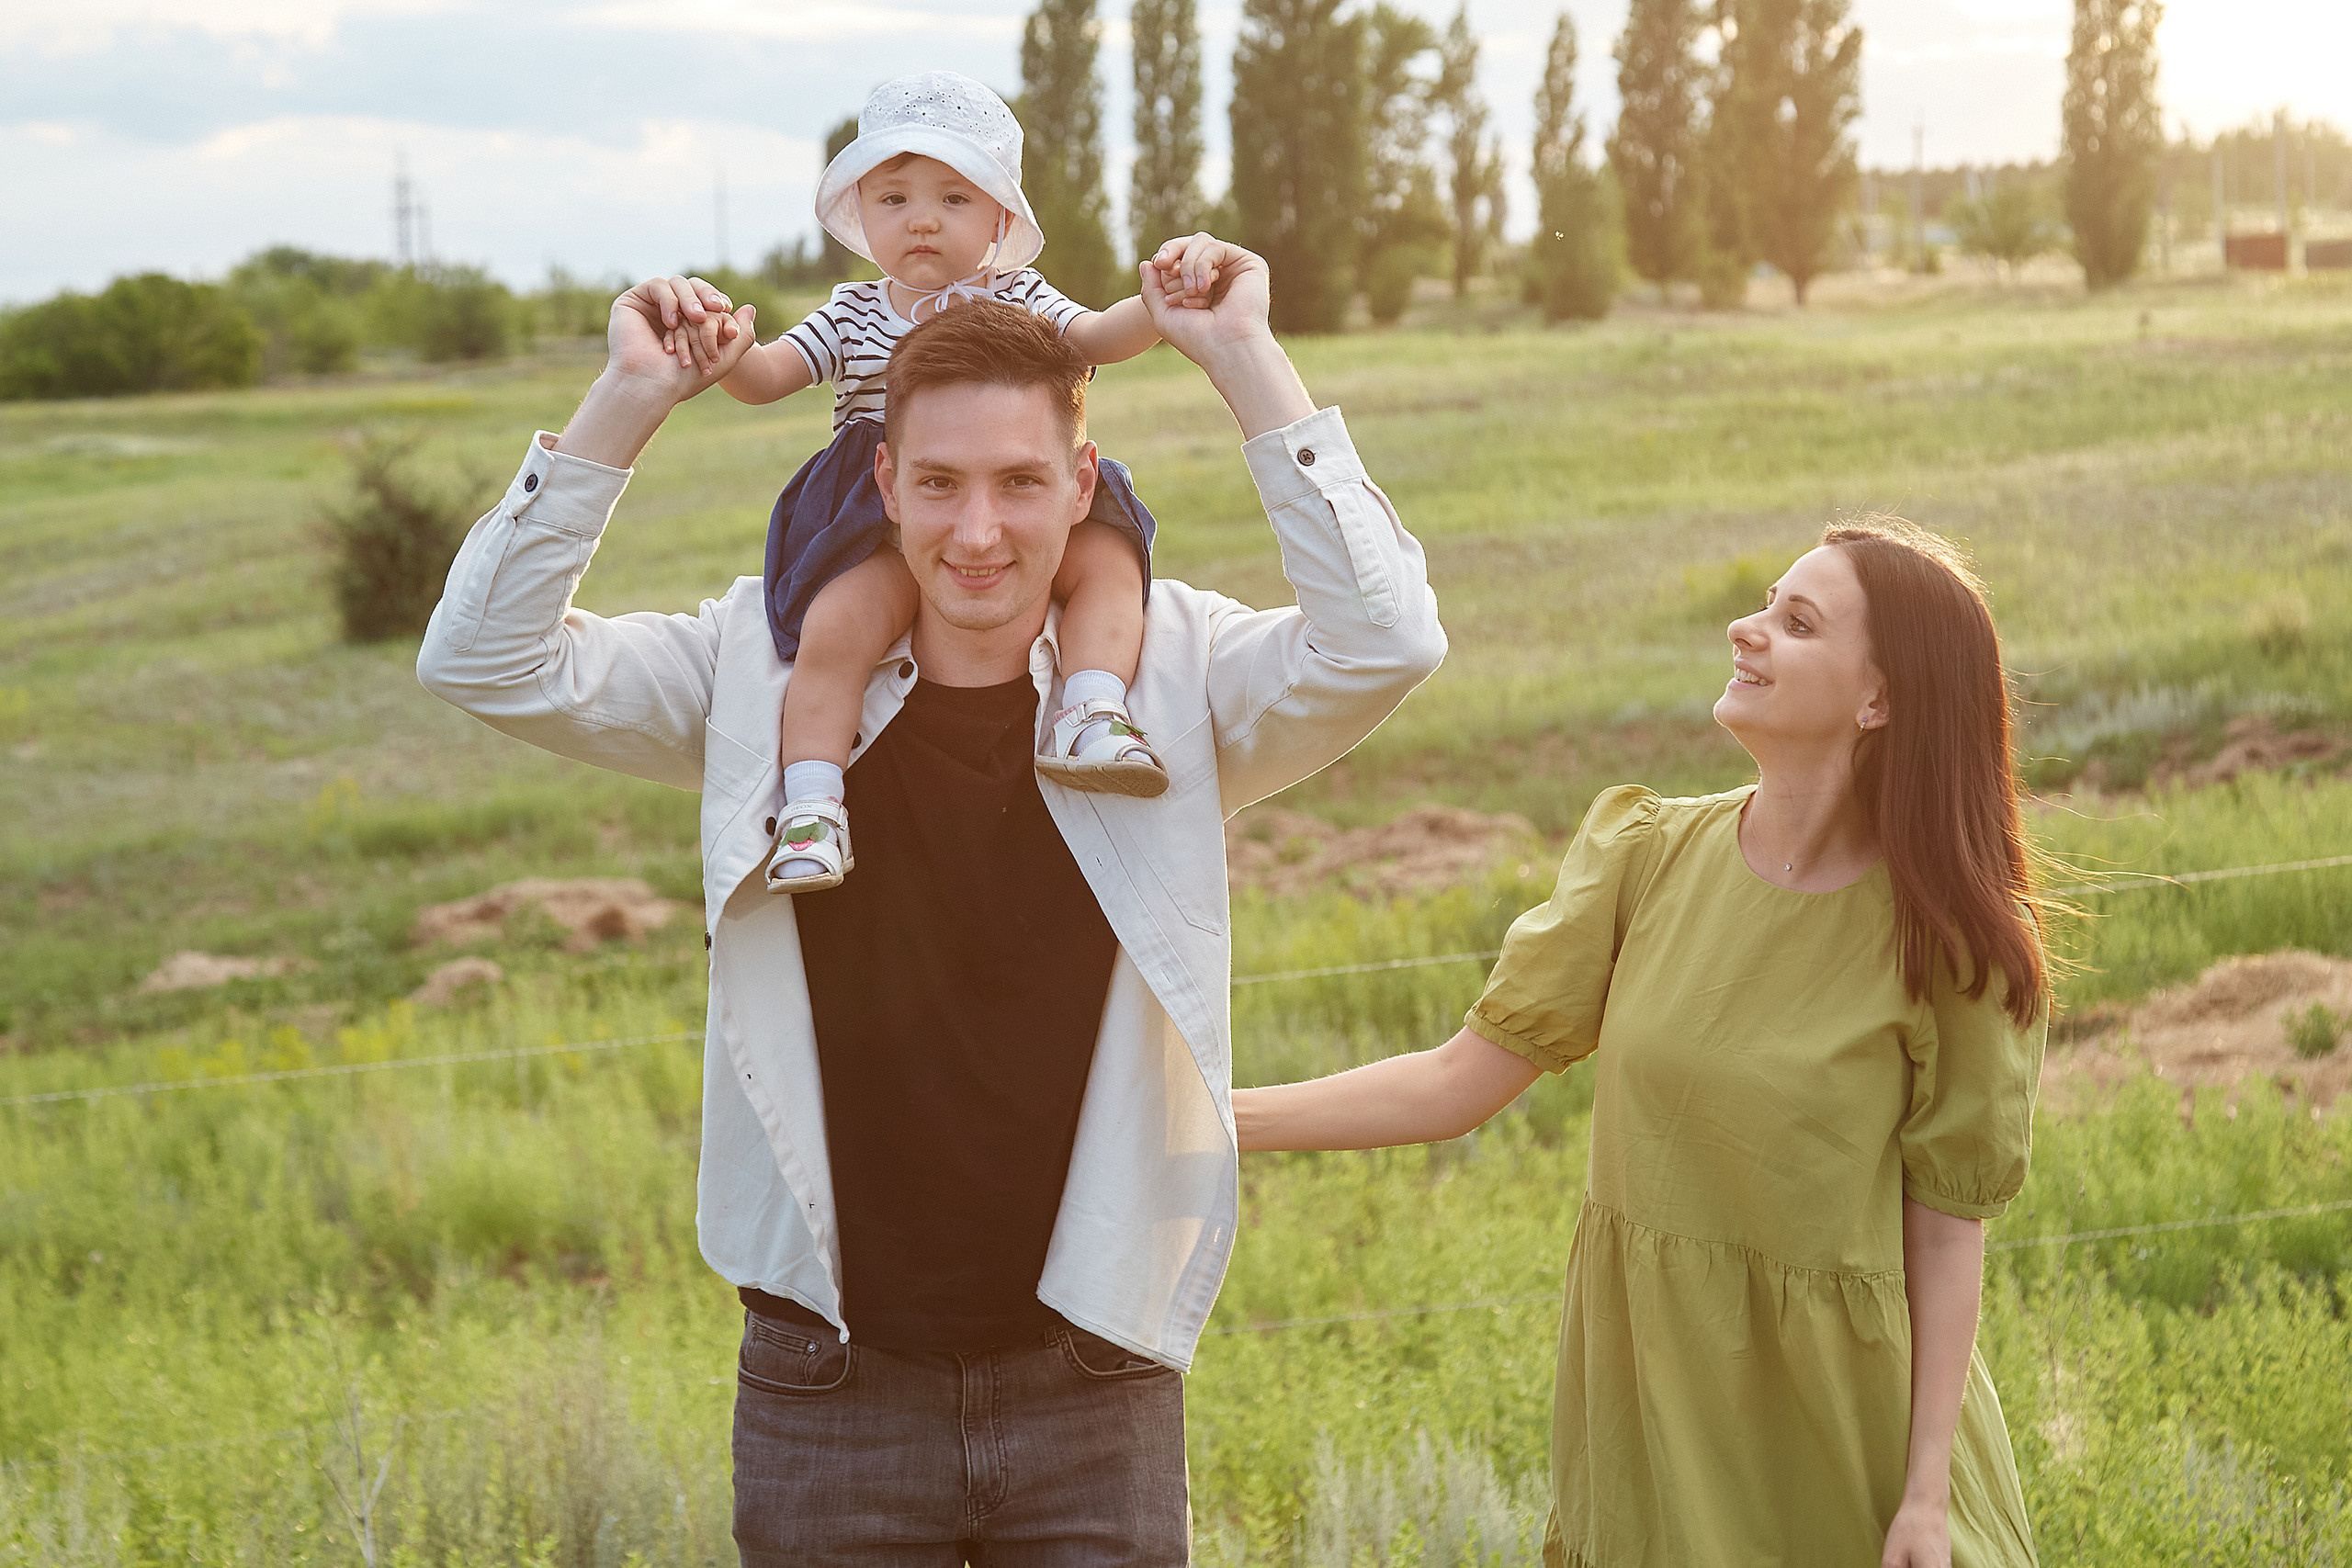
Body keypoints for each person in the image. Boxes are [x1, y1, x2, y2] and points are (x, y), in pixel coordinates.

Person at [415, 236, 1446, 1562]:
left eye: (1023, 483)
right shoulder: (761, 668)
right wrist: (627, 398)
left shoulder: (1172, 675)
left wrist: (1242, 354)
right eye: (942, 483)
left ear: (1084, 482)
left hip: (1095, 1360)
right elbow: (485, 660)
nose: (978, 532)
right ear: (883, 480)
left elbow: (1388, 638)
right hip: (831, 1374)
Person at [1235, 523, 2048, 1568]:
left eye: (1795, 624)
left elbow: (1944, 1234)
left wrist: (1926, 1498)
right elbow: (1452, 1084)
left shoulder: (1953, 944)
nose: (1743, 631)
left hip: (1850, 1440)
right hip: (1653, 1414)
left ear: (1878, 700)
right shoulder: (1646, 856)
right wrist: (1209, 1118)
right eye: (1763, 604)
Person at [646, 72, 1201, 894]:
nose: (923, 220)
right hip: (878, 502)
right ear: (863, 215)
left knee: (1111, 565)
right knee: (840, 629)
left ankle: (1090, 709)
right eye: (895, 197)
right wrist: (725, 353)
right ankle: (812, 806)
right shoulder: (853, 312)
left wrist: (1160, 304)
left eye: (954, 197)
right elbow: (769, 378)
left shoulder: (1020, 297)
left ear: (1001, 218)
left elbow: (1097, 337)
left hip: (1008, 479)